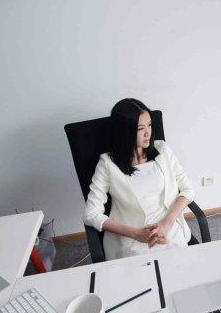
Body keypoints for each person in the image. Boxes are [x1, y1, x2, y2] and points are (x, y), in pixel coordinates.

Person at [83, 98, 195, 260]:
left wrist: (167, 223)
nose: (148, 133)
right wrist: (137, 234)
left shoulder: (162, 150)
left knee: (182, 267)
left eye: (149, 125)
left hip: (168, 229)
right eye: (140, 128)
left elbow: (187, 189)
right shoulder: (107, 164)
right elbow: (91, 214)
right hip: (132, 237)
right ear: (124, 132)